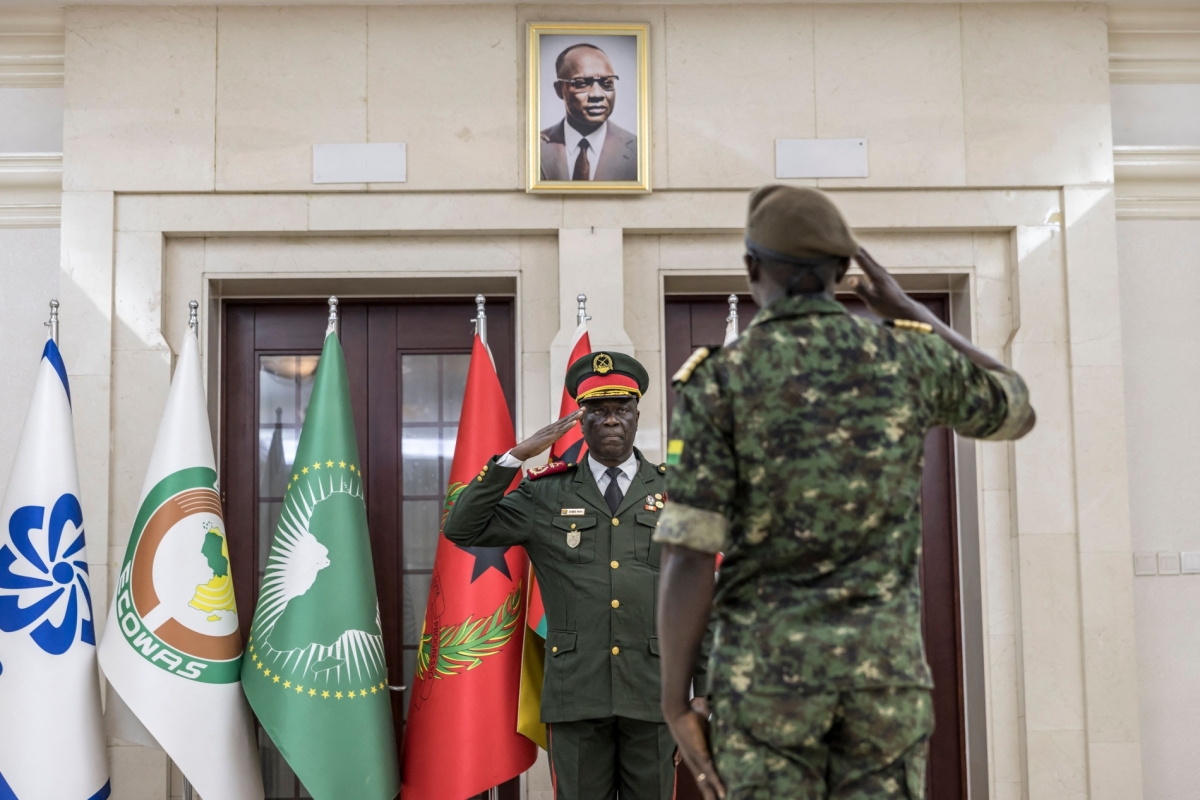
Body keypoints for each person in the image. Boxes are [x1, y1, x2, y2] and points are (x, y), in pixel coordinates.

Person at [654, 185, 1037, 800]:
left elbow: (689, 554)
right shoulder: (908, 359)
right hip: (882, 683)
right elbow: (1015, 405)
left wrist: (676, 704)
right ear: (842, 272)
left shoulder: (720, 380)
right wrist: (911, 309)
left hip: (766, 682)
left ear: (752, 268)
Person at [443, 351, 707, 800]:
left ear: (637, 415)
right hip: (576, 692)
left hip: (654, 690)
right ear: (580, 422)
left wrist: (705, 691)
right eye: (597, 411)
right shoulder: (545, 492)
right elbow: (461, 527)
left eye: (621, 409)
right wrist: (513, 458)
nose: (610, 420)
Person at [541, 43, 638, 182]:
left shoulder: (640, 150)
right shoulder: (534, 147)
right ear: (559, 89)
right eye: (582, 83)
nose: (597, 94)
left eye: (607, 83)